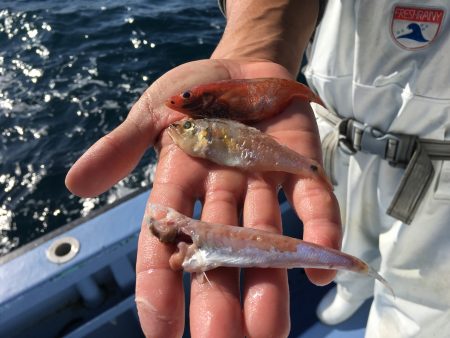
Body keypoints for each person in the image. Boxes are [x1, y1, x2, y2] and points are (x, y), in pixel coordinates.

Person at [65, 1, 450, 338]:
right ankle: (351, 283)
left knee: (423, 284)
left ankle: (395, 305)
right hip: (332, 129)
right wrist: (255, 39)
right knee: (340, 229)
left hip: (438, 155)